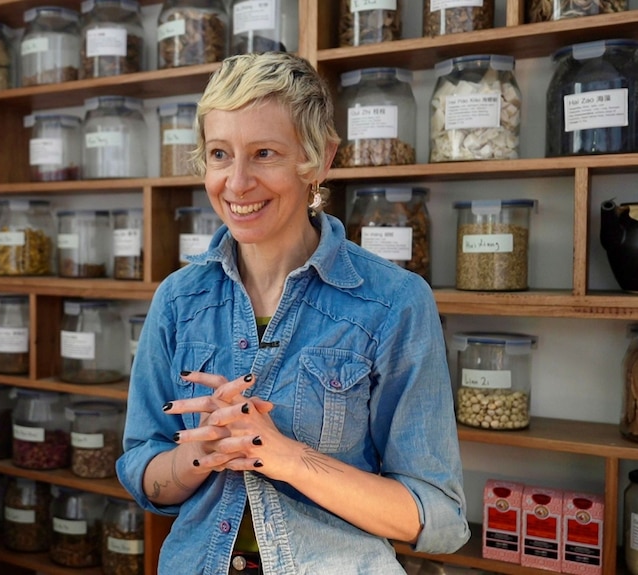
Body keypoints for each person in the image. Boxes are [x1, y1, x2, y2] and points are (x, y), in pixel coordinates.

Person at [116, 51, 469, 574]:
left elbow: (437, 517)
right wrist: (200, 454)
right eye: (219, 154)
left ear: (319, 160)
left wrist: (284, 457)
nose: (236, 183)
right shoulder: (178, 299)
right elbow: (143, 473)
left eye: (264, 153)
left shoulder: (394, 302)